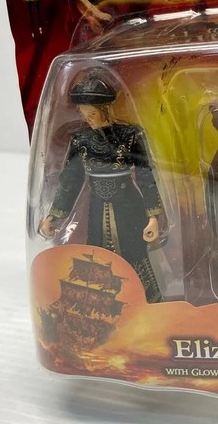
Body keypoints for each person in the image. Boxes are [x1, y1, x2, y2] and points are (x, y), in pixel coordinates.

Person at [39, 73, 163, 303]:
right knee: (97, 252)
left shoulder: (130, 135)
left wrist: (153, 217)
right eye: (84, 115)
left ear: (106, 110)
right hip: (96, 209)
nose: (88, 120)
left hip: (129, 206)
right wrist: (53, 217)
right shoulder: (80, 140)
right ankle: (102, 303)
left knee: (134, 251)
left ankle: (144, 300)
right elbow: (70, 181)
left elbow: (146, 174)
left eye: (93, 114)